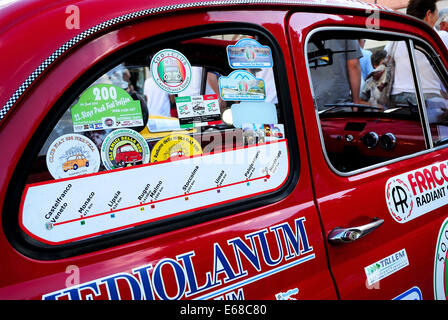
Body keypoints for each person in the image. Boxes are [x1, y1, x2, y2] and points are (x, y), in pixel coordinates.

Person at [308, 39, 362, 111]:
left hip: (309, 106)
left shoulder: (296, 30)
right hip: (339, 105)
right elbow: (353, 65)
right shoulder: (343, 28)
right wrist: (356, 103)